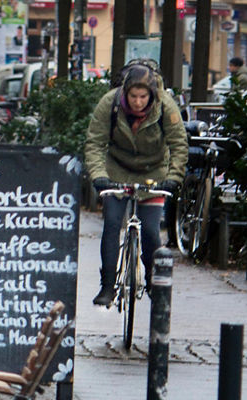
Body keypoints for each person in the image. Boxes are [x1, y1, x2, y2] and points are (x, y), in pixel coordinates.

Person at [84, 64, 188, 306]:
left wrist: (173, 177)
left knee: (151, 231)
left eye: (143, 97)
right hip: (116, 170)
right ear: (125, 93)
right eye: (133, 96)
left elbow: (179, 144)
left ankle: (154, 280)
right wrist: (99, 176)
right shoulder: (109, 103)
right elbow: (95, 143)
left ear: (151, 94)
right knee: (111, 224)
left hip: (153, 173)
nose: (138, 102)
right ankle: (107, 285)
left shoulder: (166, 106)